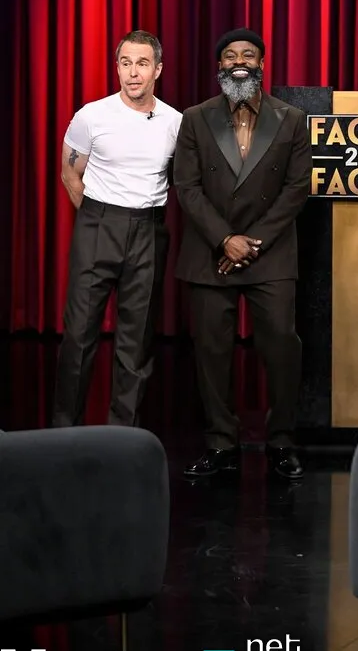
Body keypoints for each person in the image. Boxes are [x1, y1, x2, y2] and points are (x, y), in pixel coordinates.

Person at [174, 27, 312, 479]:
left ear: (262, 64)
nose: (239, 61)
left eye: (248, 55)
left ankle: (282, 441)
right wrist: (224, 239)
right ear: (219, 66)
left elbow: (296, 189)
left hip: (270, 251)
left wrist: (250, 243)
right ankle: (221, 443)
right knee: (211, 352)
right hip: (210, 250)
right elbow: (187, 187)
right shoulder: (195, 118)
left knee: (282, 347)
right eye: (230, 55)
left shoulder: (291, 118)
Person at [53, 30, 182, 428]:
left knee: (136, 339)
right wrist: (99, 216)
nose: (133, 73)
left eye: (142, 64)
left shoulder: (175, 122)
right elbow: (70, 173)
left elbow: (181, 180)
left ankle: (123, 434)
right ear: (118, 68)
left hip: (148, 231)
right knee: (79, 334)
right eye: (126, 63)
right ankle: (64, 430)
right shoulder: (92, 115)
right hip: (97, 224)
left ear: (157, 69)